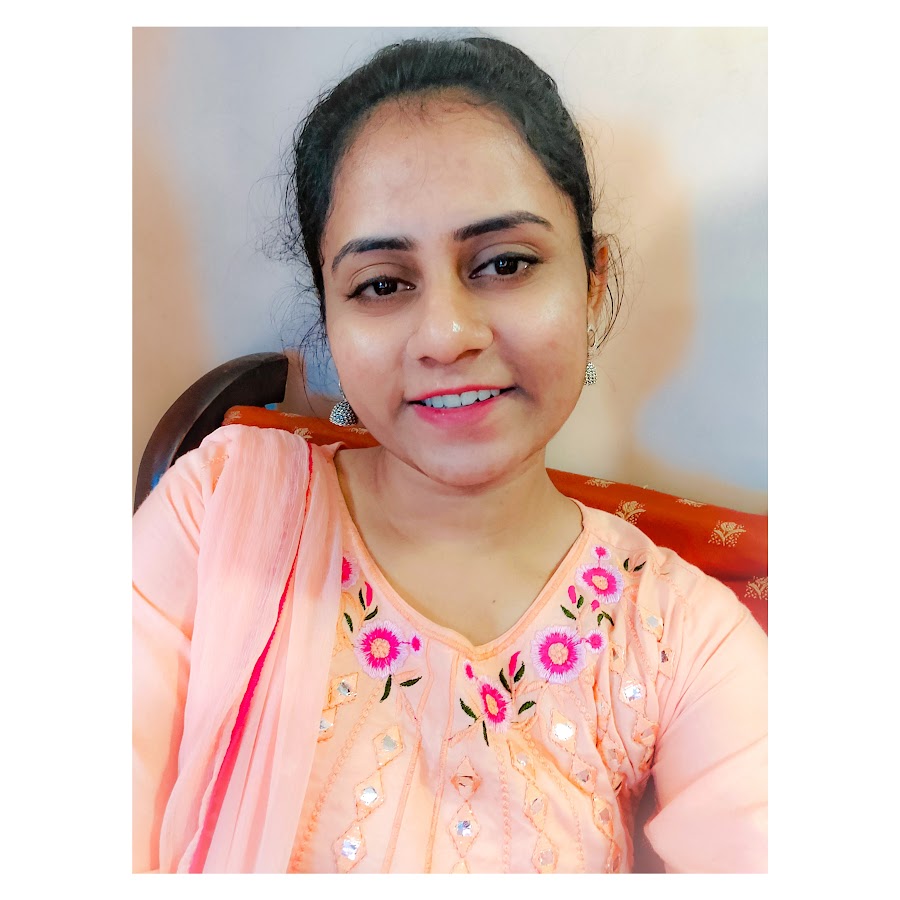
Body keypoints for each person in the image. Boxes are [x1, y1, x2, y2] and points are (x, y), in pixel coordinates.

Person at [132, 36, 767, 874]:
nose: (446, 335)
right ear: (330, 321)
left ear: (592, 283)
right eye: (382, 284)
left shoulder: (680, 634)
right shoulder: (217, 510)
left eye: (504, 263)